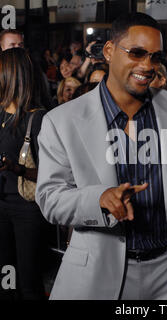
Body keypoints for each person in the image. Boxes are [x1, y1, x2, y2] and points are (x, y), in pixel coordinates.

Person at [35, 12, 167, 300]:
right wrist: (99, 199)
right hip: (97, 273)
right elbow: (50, 199)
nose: (147, 66)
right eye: (136, 53)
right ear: (109, 52)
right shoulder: (61, 121)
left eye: (155, 57)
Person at [0, 48, 48, 300]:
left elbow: (52, 176)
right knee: (5, 282)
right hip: (1, 206)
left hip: (26, 209)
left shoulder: (38, 119)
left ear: (11, 76)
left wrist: (14, 167)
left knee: (28, 282)